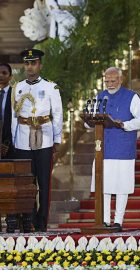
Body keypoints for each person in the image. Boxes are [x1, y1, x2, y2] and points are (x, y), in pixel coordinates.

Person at [90, 67, 140, 231]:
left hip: (123, 148)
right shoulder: (100, 97)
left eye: (113, 80)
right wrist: (87, 121)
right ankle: (105, 220)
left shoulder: (131, 97)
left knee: (121, 186)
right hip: (103, 147)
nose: (109, 84)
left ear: (120, 80)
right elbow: (92, 119)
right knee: (105, 185)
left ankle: (118, 221)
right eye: (106, 81)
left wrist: (124, 124)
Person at [11, 48, 63, 232]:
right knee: (27, 182)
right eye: (27, 63)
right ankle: (29, 221)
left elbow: (57, 114)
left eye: (33, 63)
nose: (30, 67)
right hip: (23, 138)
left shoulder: (51, 87)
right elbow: (13, 116)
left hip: (45, 137)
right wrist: (14, 140)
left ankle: (42, 221)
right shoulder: (17, 87)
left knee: (43, 181)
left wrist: (57, 139)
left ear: (40, 64)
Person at [0, 63, 15, 232]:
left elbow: (15, 121)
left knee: (10, 182)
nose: (1, 76)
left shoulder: (14, 94)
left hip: (10, 145)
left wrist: (6, 144)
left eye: (4, 73)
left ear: (10, 76)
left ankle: (12, 220)